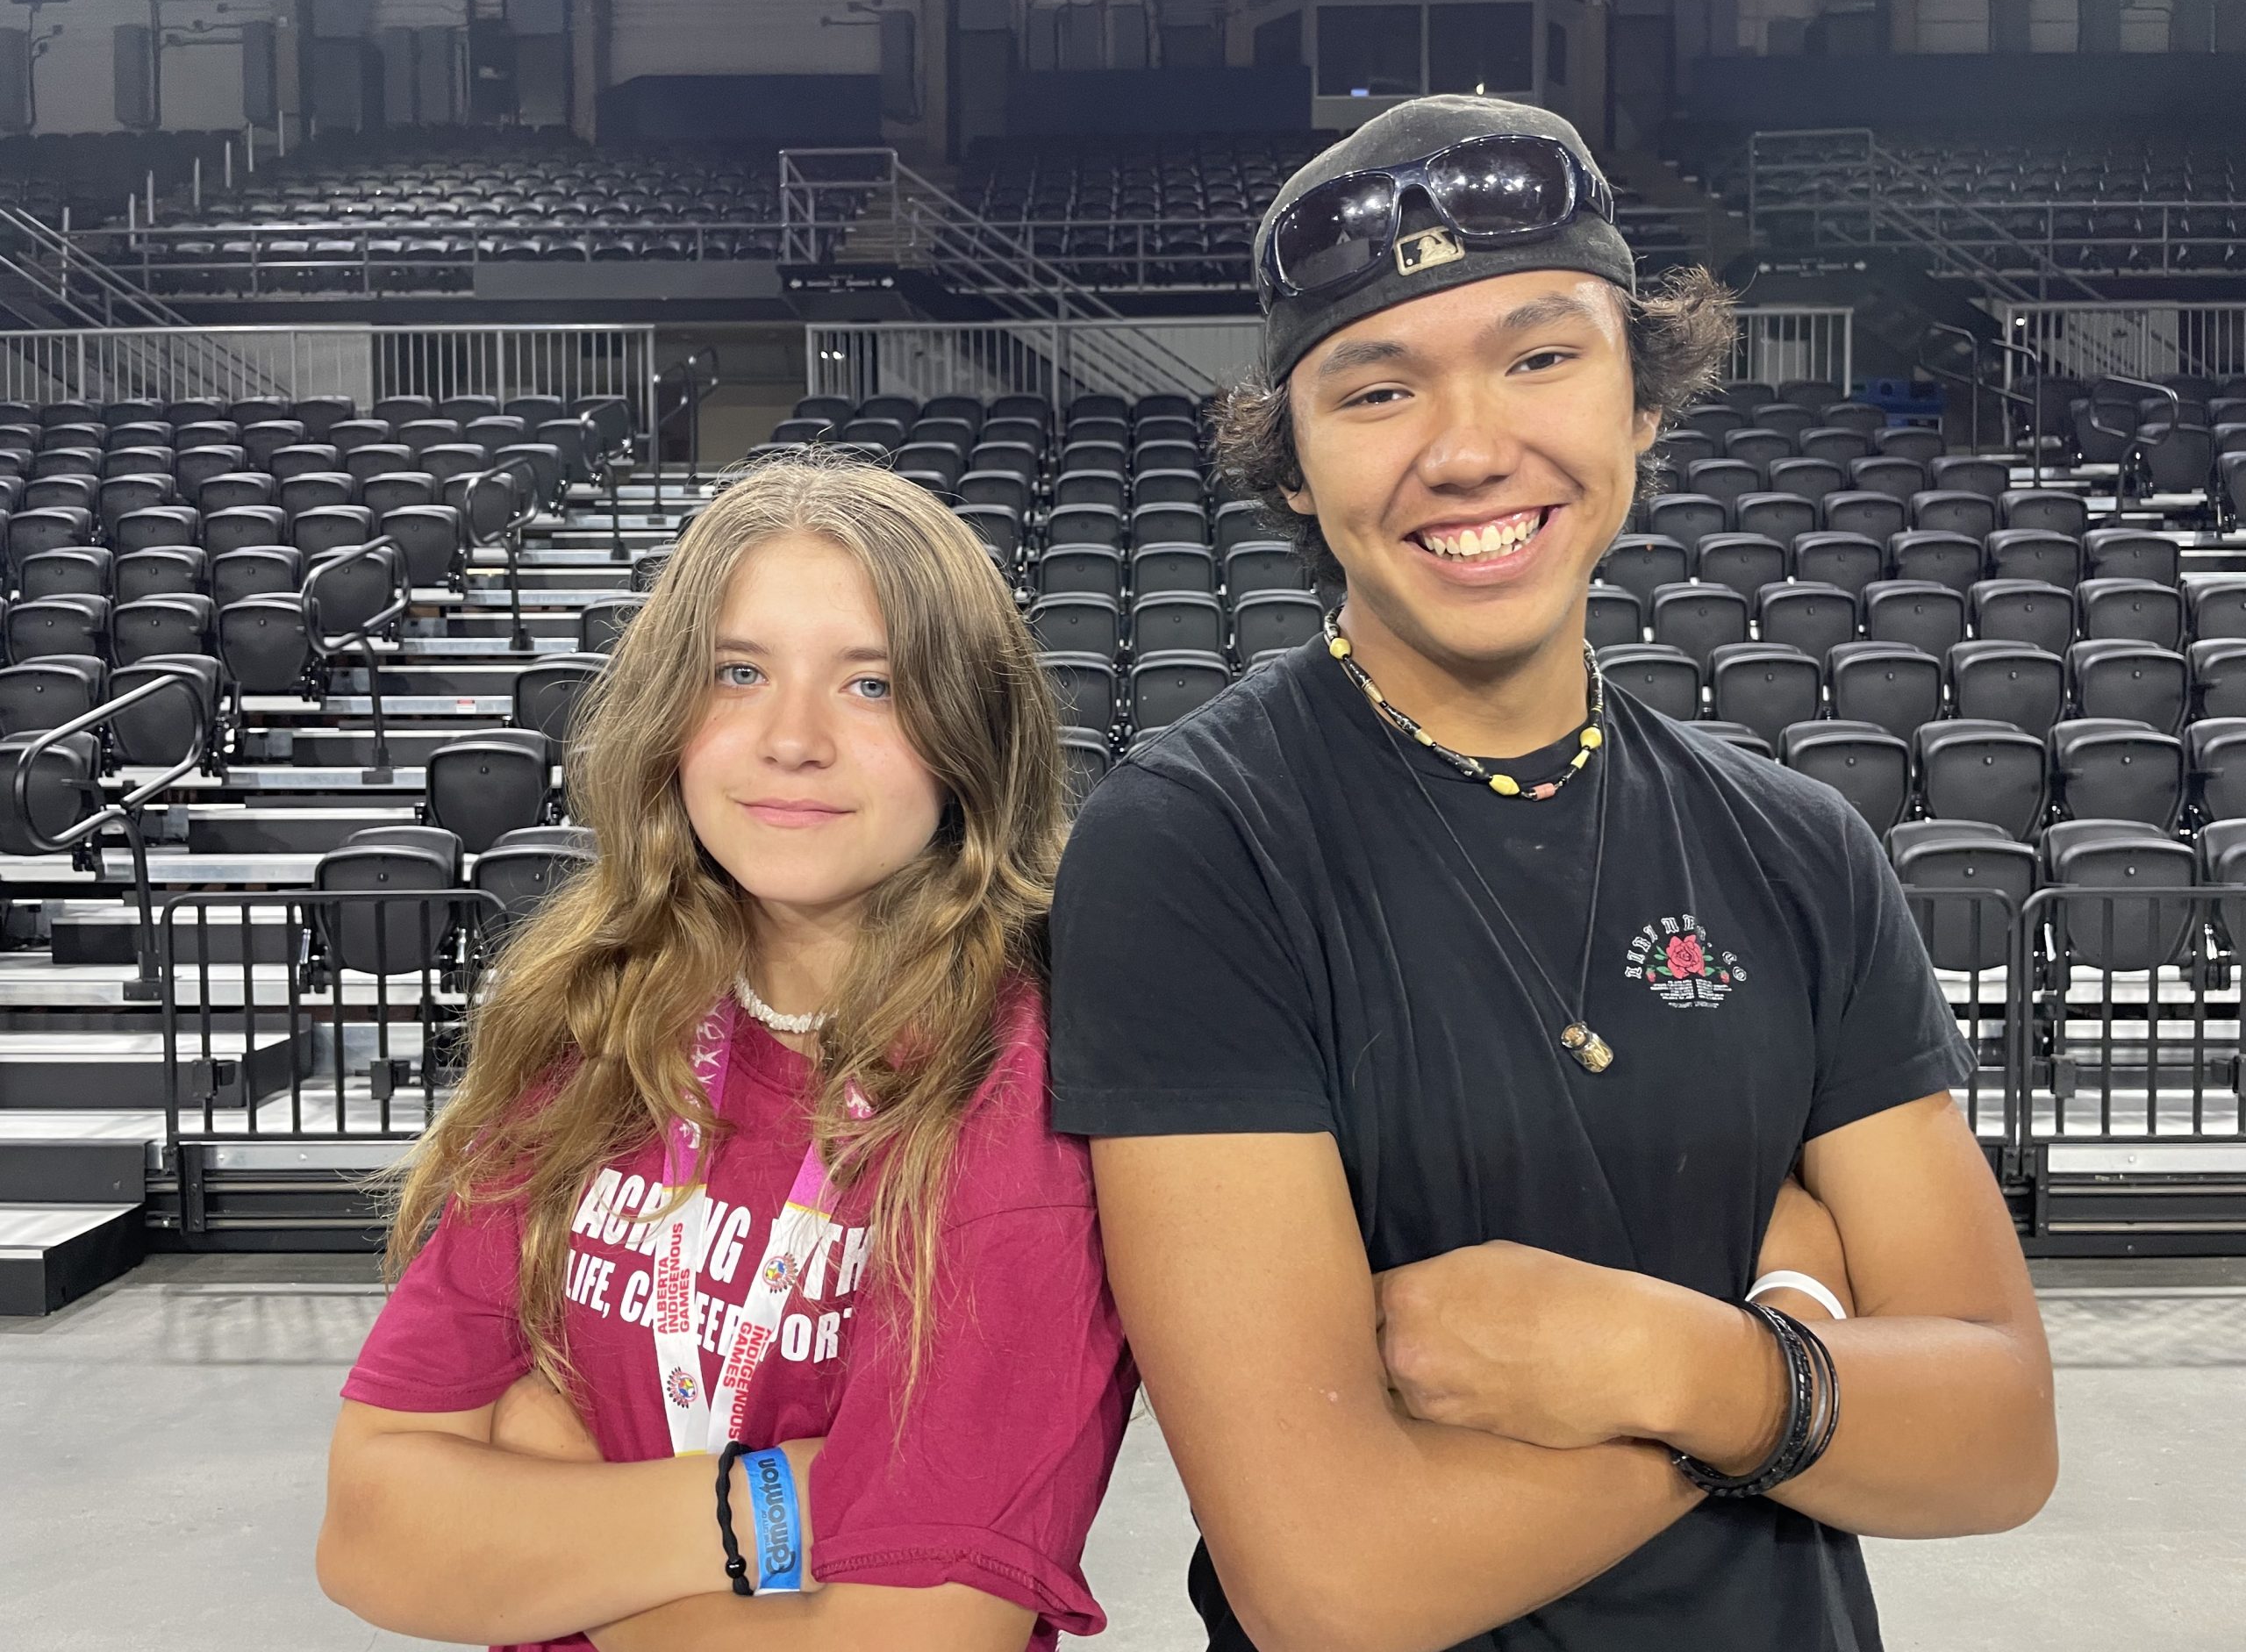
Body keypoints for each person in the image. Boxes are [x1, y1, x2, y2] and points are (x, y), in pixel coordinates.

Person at [1049, 97, 2057, 1652]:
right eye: (1377, 390)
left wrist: (1677, 1361)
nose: (1468, 450)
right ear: (1296, 469)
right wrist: (1790, 1350)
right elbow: (1336, 1583)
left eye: (1540, 358)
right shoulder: (1197, 848)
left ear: (1642, 404)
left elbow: (1998, 1440)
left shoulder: (1798, 850)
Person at [318, 453, 1136, 1652]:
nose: (790, 738)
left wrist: (545, 1500)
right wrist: (792, 1501)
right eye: (738, 673)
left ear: (968, 736)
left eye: (873, 686)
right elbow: (373, 1531)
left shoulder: (1013, 1087)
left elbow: (910, 1637)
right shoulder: (599, 1029)